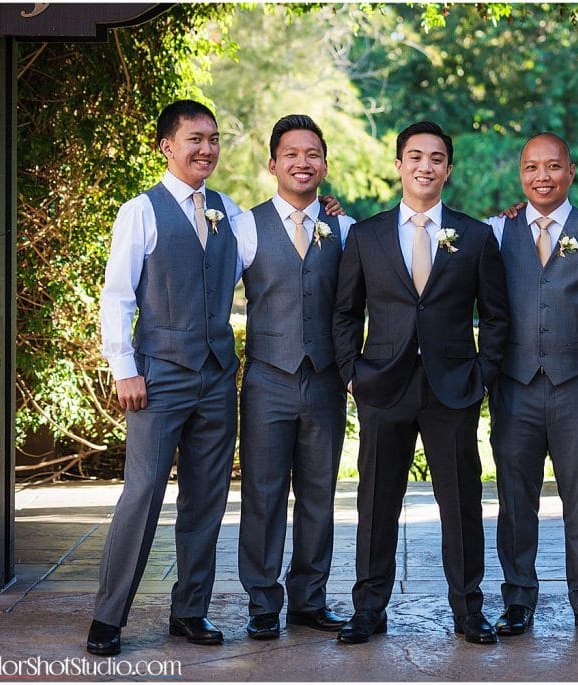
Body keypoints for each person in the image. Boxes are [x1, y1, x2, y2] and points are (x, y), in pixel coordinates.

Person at [332, 121, 509, 645]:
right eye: (415, 157)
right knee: (376, 500)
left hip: (452, 388)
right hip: (382, 387)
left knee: (461, 502)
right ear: (399, 166)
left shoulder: (475, 236)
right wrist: (352, 374)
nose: (425, 166)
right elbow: (345, 313)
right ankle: (368, 608)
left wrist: (481, 375)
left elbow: (496, 317)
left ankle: (468, 609)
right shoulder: (365, 235)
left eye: (436, 158)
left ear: (448, 169)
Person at [89, 100, 242, 655]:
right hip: (157, 378)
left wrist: (327, 213)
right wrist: (123, 367)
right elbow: (117, 295)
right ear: (166, 146)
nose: (206, 148)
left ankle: (190, 612)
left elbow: (279, 243)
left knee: (207, 498)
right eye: (195, 138)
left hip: (218, 378)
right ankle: (108, 617)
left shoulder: (232, 213)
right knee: (143, 491)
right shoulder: (142, 211)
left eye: (214, 138)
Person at [484, 132, 578, 638]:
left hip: (576, 385)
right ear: (521, 174)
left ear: (571, 171)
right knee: (515, 499)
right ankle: (518, 600)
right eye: (532, 167)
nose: (542, 176)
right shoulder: (498, 231)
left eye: (553, 166)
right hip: (514, 386)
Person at [235, 114, 354, 640]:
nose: (302, 163)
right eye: (292, 155)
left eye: (312, 155)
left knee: (319, 493)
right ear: (273, 164)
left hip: (326, 379)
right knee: (262, 493)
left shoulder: (345, 228)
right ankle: (263, 603)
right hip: (266, 378)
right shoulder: (242, 226)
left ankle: (309, 599)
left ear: (324, 165)